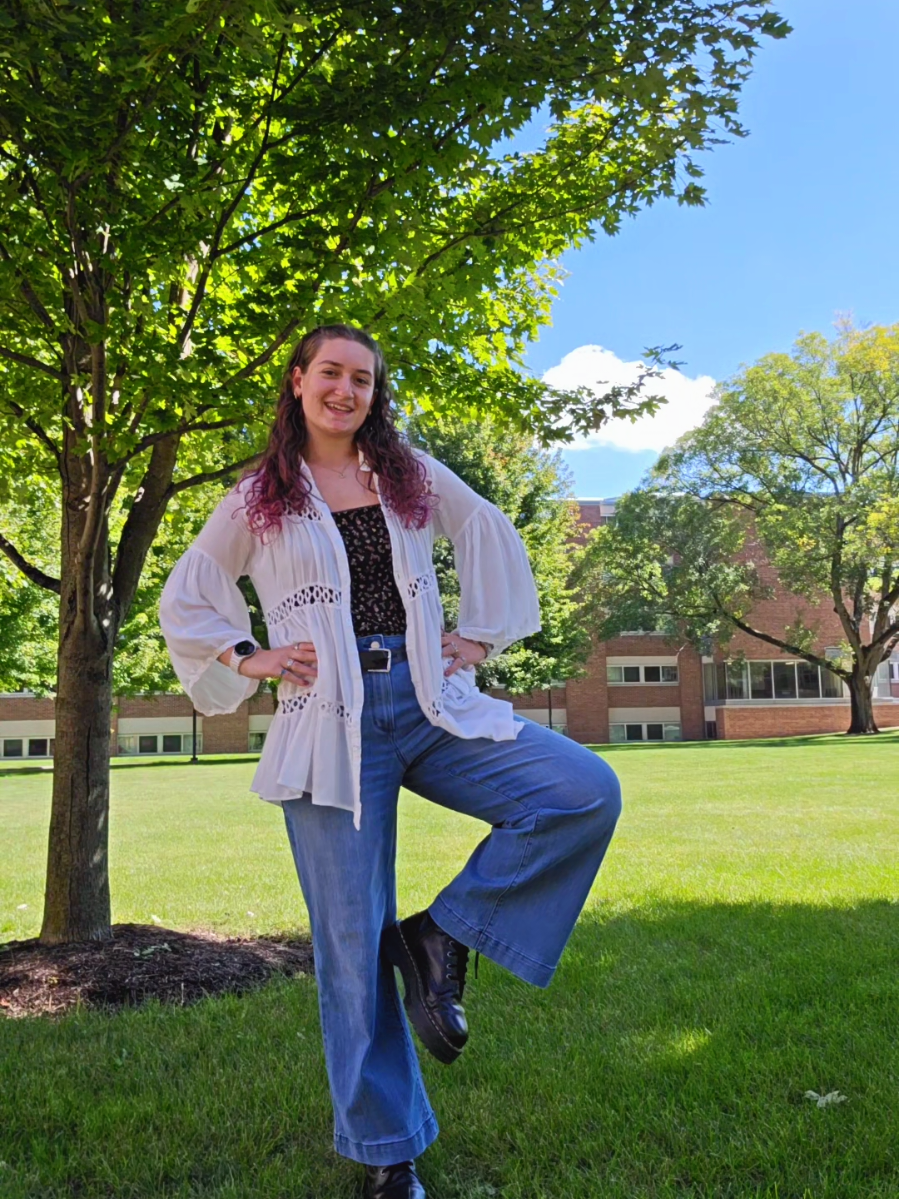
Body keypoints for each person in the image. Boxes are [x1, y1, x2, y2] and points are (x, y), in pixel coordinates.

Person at [159, 323, 621, 1199]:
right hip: (327, 721)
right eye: (329, 373)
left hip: (427, 701)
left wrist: (478, 632)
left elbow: (482, 524)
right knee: (347, 942)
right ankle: (386, 1153)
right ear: (297, 382)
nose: (346, 390)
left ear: (375, 392)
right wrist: (246, 655)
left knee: (579, 791)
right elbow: (187, 591)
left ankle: (443, 932)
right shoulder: (260, 496)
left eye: (362, 378)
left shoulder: (403, 471)